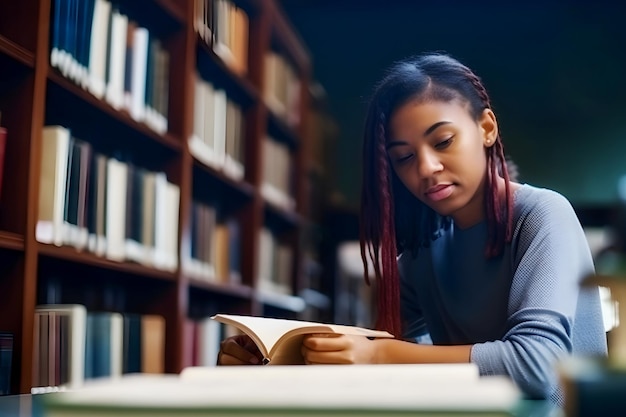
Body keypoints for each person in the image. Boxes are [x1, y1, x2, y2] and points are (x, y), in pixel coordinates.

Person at [217, 52, 607, 404]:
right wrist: (270, 362)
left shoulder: (542, 214)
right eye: (403, 158)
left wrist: (378, 355)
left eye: (443, 141)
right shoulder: (423, 254)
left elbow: (538, 366)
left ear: (487, 128)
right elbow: (382, 363)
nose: (424, 168)